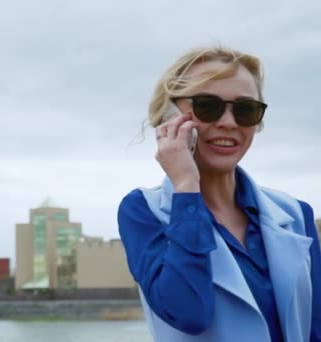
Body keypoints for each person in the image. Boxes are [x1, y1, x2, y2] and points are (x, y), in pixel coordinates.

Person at [117, 46, 321, 342]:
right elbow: (188, 312)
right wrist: (186, 186)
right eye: (207, 106)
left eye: (245, 109)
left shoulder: (295, 213)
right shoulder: (143, 211)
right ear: (170, 117)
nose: (229, 121)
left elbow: (315, 326)